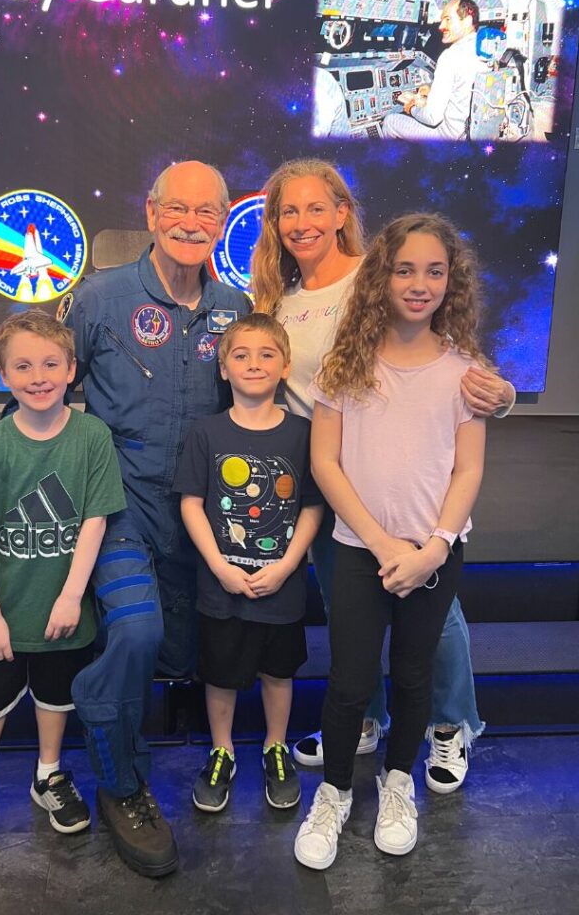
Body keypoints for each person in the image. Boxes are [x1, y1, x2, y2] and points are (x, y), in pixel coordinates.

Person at [251, 157, 516, 793]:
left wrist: (499, 395)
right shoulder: (278, 299)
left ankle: (448, 726)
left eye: (317, 207)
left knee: (429, 610)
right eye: (289, 210)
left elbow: (459, 371)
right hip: (326, 479)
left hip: (401, 490)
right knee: (354, 615)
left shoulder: (377, 280)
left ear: (343, 212)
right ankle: (364, 719)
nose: (302, 222)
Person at [59, 160, 252, 877]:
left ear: (223, 221)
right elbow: (42, 386)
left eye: (208, 212)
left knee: (201, 641)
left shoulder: (236, 308)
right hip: (119, 509)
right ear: (150, 212)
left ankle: (235, 753)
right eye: (179, 209)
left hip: (203, 516)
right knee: (137, 633)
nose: (192, 223)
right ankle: (120, 785)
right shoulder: (100, 300)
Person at [294, 212, 488, 869]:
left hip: (433, 552)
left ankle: (397, 782)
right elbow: (326, 463)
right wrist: (380, 545)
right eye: (405, 268)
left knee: (411, 674)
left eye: (434, 271)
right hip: (359, 550)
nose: (418, 283)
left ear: (451, 283)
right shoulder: (346, 365)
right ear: (382, 276)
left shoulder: (465, 371)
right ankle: (334, 792)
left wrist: (433, 547)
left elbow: (468, 468)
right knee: (350, 680)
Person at [0, 310, 125, 867]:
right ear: (4, 375)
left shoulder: (93, 436)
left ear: (72, 369)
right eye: (23, 365)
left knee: (56, 694)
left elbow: (95, 518)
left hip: (62, 609)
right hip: (4, 611)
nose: (39, 375)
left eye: (51, 363)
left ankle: (48, 774)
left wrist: (72, 595)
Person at [175, 314, 324, 813]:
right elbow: (191, 503)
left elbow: (311, 505)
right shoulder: (206, 432)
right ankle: (222, 751)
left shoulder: (304, 434)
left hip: (282, 586)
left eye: (266, 355)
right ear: (223, 369)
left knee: (278, 672)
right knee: (220, 674)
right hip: (221, 586)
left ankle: (274, 746)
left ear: (284, 367)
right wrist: (219, 566)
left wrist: (286, 565)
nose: (253, 364)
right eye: (240, 355)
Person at [382, 0, 485, 141]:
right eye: (442, 19)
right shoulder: (484, 48)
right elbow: (462, 87)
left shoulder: (451, 56)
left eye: (448, 19)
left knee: (390, 122)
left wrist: (411, 108)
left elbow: (432, 118)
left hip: (447, 137)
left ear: (467, 21)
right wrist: (431, 90)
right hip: (469, 134)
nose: (441, 26)